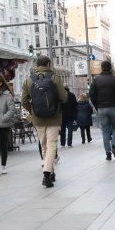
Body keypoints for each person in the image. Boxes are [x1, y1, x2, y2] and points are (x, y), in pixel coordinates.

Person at [22, 56, 68, 188]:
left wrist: (33, 111)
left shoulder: (29, 80)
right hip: (53, 117)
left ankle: (51, 173)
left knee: (44, 145)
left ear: (37, 65)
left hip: (38, 118)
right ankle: (47, 174)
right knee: (52, 145)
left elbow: (24, 101)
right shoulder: (54, 77)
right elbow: (64, 98)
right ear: (48, 64)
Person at [89, 60, 115, 160]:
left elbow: (91, 94)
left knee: (105, 131)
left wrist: (97, 106)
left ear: (102, 68)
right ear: (110, 68)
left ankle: (108, 153)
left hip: (101, 108)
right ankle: (114, 146)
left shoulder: (96, 81)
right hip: (114, 107)